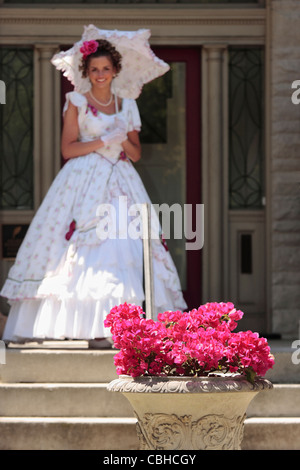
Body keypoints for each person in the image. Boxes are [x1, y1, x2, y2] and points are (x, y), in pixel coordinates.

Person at [0, 35, 187, 347]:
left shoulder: (128, 104)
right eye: (95, 68)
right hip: (83, 180)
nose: (101, 74)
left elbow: (136, 154)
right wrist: (102, 141)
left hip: (122, 181)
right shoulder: (77, 102)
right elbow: (68, 149)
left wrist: (121, 138)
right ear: (87, 72)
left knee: (122, 250)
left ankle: (121, 327)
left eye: (106, 68)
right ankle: (89, 326)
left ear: (115, 70)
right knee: (83, 251)